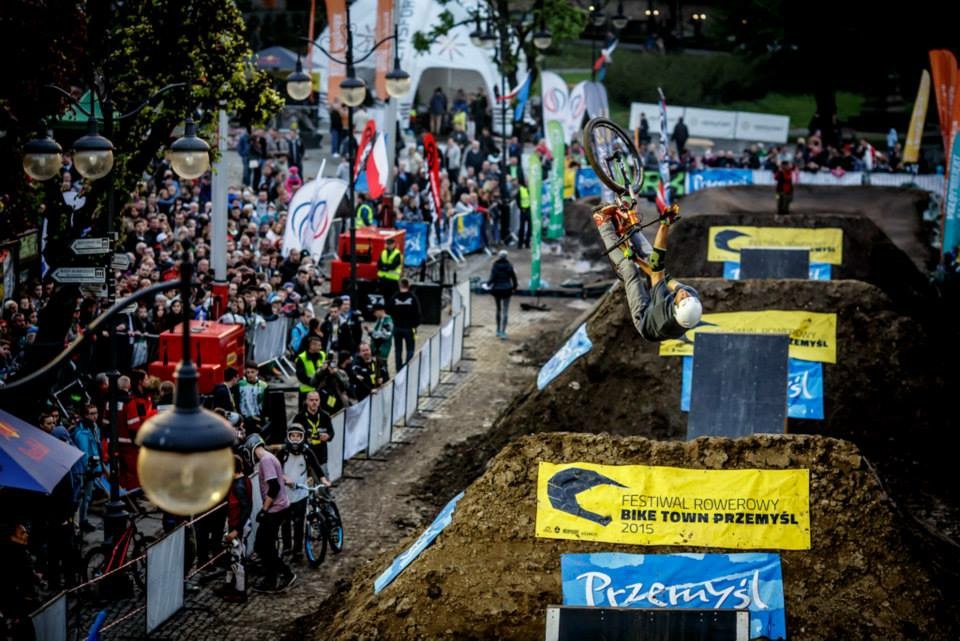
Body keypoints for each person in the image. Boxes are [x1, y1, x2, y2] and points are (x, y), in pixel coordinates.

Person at [592, 202, 703, 341]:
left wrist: (664, 225)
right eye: (688, 296)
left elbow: (657, 266)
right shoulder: (691, 299)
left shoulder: (663, 313)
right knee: (651, 259)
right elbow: (665, 277)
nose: (684, 293)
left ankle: (602, 223)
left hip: (644, 319)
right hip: (664, 311)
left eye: (683, 298)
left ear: (676, 308)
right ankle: (630, 227)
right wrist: (637, 259)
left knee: (630, 270)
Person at [243, 433, 296, 593]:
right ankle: (274, 577)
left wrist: (264, 510)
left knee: (264, 546)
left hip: (274, 510)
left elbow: (274, 487)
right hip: (279, 508)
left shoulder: (265, 461)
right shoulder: (270, 458)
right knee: (264, 546)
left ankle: (280, 577)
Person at [275, 423, 327, 564]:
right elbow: (276, 469)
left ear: (303, 437)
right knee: (285, 522)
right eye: (292, 436)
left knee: (299, 523)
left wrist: (323, 479)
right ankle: (287, 547)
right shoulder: (283, 453)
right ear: (288, 437)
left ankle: (298, 550)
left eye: (298, 436)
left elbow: (316, 466)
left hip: (301, 492)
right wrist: (285, 478)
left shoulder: (306, 452)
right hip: (285, 493)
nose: (295, 439)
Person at [215, 454, 252, 602]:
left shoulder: (239, 486)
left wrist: (236, 530)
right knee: (231, 558)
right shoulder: (243, 481)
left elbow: (246, 508)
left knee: (237, 561)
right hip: (237, 525)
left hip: (238, 527)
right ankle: (229, 586)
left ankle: (240, 592)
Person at [73, 404, 103, 533]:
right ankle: (78, 524)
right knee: (81, 498)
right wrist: (88, 469)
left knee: (87, 497)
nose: (95, 416)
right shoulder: (81, 432)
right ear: (85, 415)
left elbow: (96, 448)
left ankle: (83, 520)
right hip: (84, 470)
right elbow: (84, 453)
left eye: (96, 413)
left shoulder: (94, 428)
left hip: (92, 467)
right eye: (91, 413)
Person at [291, 390, 334, 473]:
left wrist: (328, 436)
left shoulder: (325, 416)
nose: (314, 403)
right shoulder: (299, 417)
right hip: (304, 456)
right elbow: (292, 434)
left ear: (319, 401)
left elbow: (331, 432)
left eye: (316, 400)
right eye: (311, 400)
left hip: (321, 457)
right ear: (306, 401)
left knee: (323, 479)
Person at [388, 278, 421, 372]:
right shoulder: (413, 297)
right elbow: (418, 313)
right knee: (410, 349)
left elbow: (389, 310)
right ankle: (408, 368)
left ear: (400, 285)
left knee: (398, 350)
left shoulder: (394, 297)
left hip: (397, 327)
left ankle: (398, 369)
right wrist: (415, 325)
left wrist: (394, 322)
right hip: (409, 328)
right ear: (408, 285)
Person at [488, 249, 519, 339]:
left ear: (499, 256)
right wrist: (514, 288)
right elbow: (514, 278)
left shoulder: (495, 265)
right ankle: (503, 331)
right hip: (507, 289)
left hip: (497, 289)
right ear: (506, 256)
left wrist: (487, 284)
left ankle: (497, 330)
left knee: (498, 309)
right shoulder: (509, 265)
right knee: (505, 310)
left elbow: (492, 278)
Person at [295, 336, 326, 407]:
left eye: (320, 345)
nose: (320, 348)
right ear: (311, 346)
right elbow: (301, 377)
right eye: (318, 345)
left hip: (321, 389)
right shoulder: (301, 358)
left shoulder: (322, 354)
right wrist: (314, 383)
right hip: (307, 391)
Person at [368, 302, 394, 377]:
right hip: (376, 348)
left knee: (382, 370)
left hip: (383, 349)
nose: (374, 314)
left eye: (375, 312)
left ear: (381, 310)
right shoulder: (380, 320)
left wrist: (372, 332)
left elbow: (386, 335)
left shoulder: (388, 321)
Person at [377, 236, 403, 302]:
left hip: (393, 279)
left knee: (393, 297)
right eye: (388, 244)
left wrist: (384, 267)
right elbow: (379, 265)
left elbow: (394, 266)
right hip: (383, 278)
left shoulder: (397, 253)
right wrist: (387, 267)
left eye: (390, 244)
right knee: (384, 297)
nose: (389, 246)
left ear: (394, 244)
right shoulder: (383, 252)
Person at [516, 181, 531, 249]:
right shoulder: (521, 190)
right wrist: (521, 208)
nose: (528, 183)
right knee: (522, 228)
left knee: (530, 228)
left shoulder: (531, 189)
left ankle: (527, 243)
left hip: (530, 210)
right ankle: (520, 244)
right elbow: (517, 200)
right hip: (523, 211)